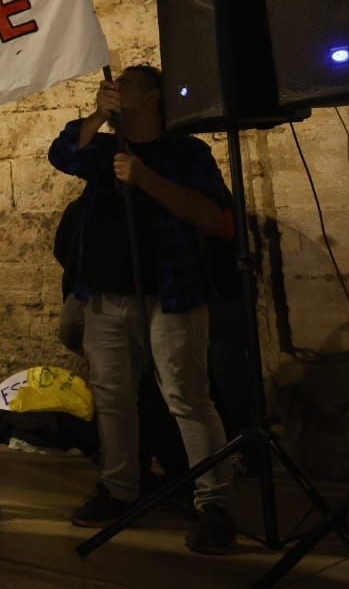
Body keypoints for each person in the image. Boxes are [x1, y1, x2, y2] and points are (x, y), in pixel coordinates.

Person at [49, 67, 236, 555]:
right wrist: (97, 115)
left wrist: (146, 179)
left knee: (187, 398)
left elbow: (213, 218)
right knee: (111, 397)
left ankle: (214, 503)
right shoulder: (104, 150)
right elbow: (62, 153)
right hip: (105, 297)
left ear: (152, 97)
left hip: (170, 295)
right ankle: (119, 488)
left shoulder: (186, 152)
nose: (115, 89)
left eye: (125, 84)